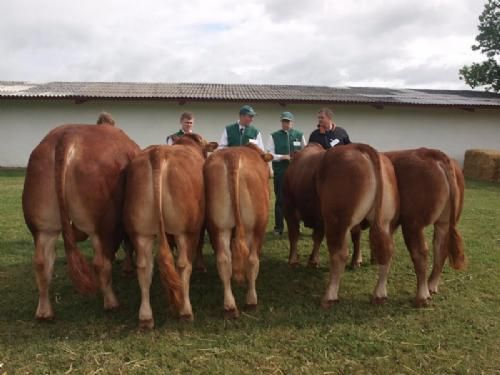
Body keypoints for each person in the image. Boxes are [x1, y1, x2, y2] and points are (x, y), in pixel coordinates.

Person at [267, 111, 306, 235]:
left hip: (297, 174)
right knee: (280, 200)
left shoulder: (299, 135)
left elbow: (305, 151)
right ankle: (279, 227)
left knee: (297, 200)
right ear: (281, 122)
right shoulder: (273, 136)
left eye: (288, 121)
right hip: (281, 172)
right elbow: (270, 154)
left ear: (292, 122)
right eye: (284, 121)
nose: (286, 124)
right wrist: (281, 156)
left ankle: (297, 225)